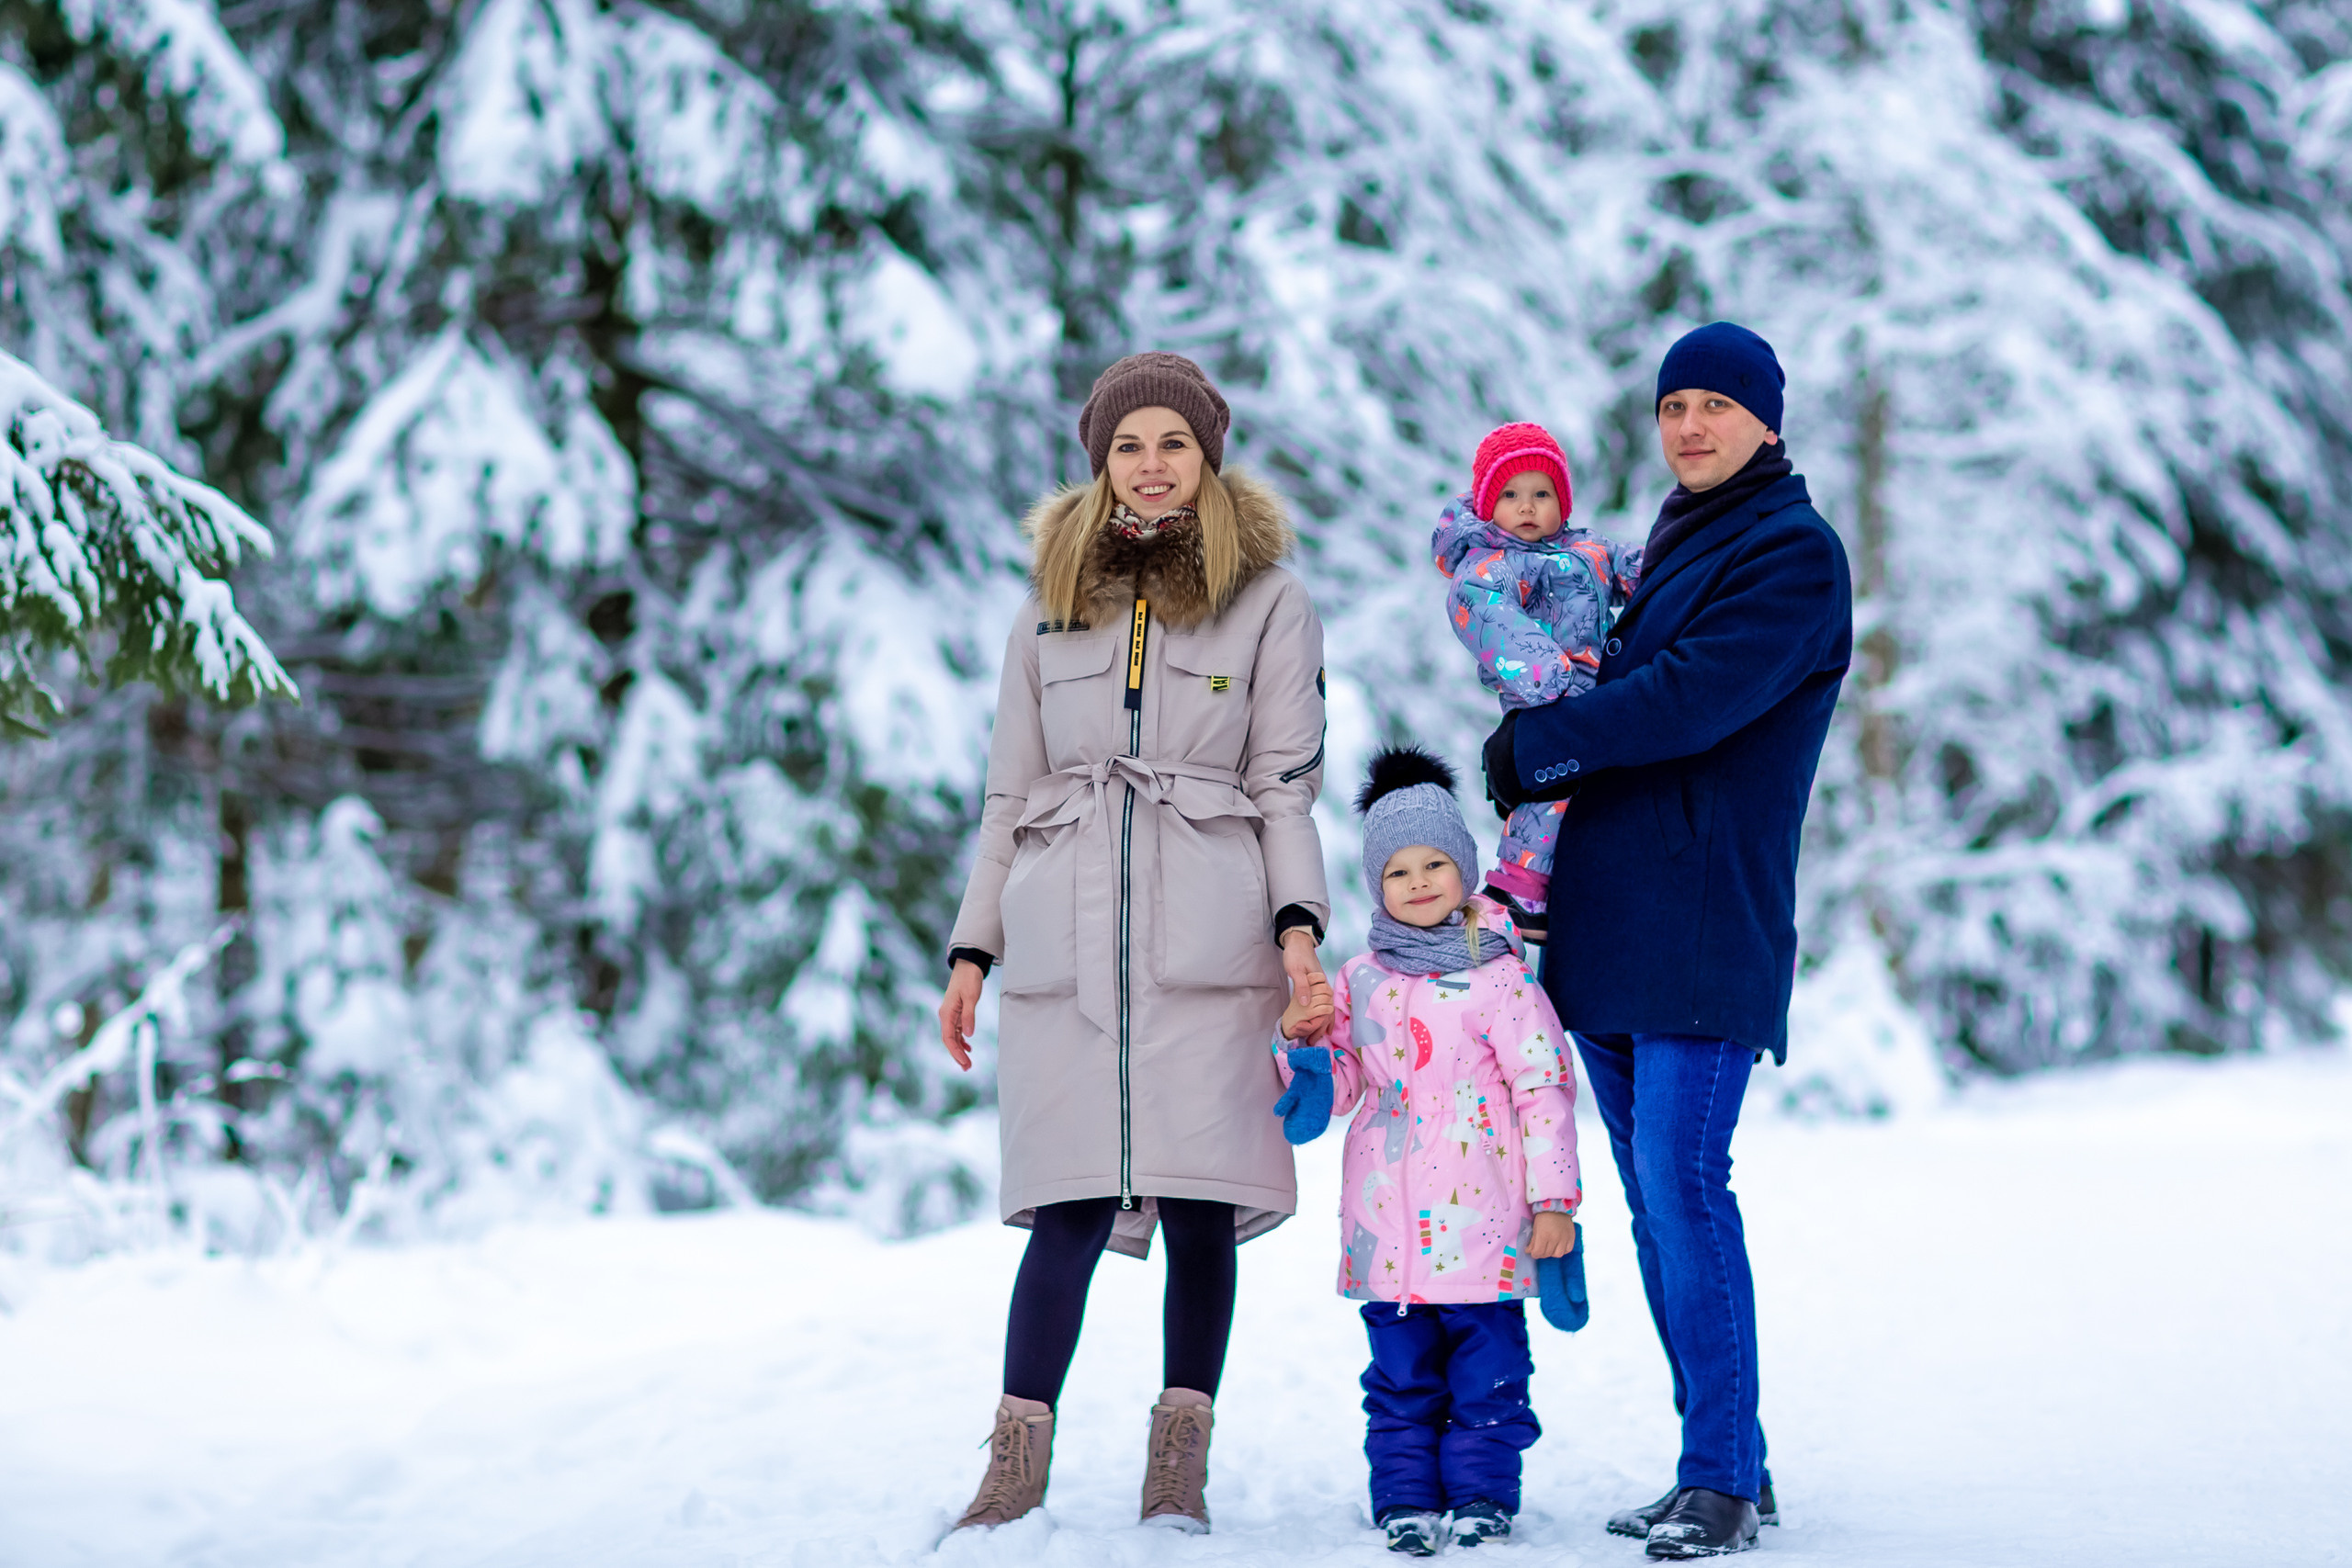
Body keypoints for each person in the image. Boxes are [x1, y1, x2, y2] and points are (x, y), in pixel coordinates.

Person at [936, 351, 1334, 1537]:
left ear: (1207, 456)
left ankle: (1178, 1460)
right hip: (1063, 941)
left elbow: (1284, 787)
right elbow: (1008, 795)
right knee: (1064, 1206)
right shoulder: (1046, 606)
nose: (1150, 465)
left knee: (1202, 1206)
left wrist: (1300, 934)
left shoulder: (1269, 600)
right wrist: (971, 951)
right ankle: (1014, 1462)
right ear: (1099, 461)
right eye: (1127, 446)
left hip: (1211, 937)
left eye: (1172, 443)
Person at [1483, 321, 1854, 1560]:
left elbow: (1691, 698)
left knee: (1687, 1188)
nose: (1689, 425)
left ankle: (1721, 1480)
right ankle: (1730, 1458)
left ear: (1767, 420)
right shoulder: (1673, 539)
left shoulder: (1792, 552)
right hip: (1611, 922)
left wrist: (1540, 746)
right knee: (1656, 1203)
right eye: (1672, 405)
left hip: (1703, 920)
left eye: (1715, 405)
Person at [1272, 746, 1581, 1557]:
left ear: (1464, 867)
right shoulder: (1360, 979)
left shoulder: (1501, 978)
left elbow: (1544, 1088)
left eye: (1434, 863)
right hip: (1390, 1232)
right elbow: (1342, 1087)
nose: (1417, 881)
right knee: (1399, 1378)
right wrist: (1303, 1045)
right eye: (1398, 870)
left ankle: (1481, 1494)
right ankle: (1406, 1498)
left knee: (1488, 1375)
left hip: (1485, 1225)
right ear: (1377, 884)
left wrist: (1555, 1203)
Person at [1431, 423, 1641, 943]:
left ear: (1562, 503)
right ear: (1488, 505)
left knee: (1589, 796)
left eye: (1541, 494)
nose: (1527, 507)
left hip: (1599, 694)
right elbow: (1483, 612)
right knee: (1550, 787)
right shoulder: (1492, 563)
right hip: (1542, 694)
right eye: (1510, 495)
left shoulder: (1588, 548)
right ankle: (1520, 885)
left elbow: (1632, 568)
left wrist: (1664, 565)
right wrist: (1546, 671)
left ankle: (1569, 882)